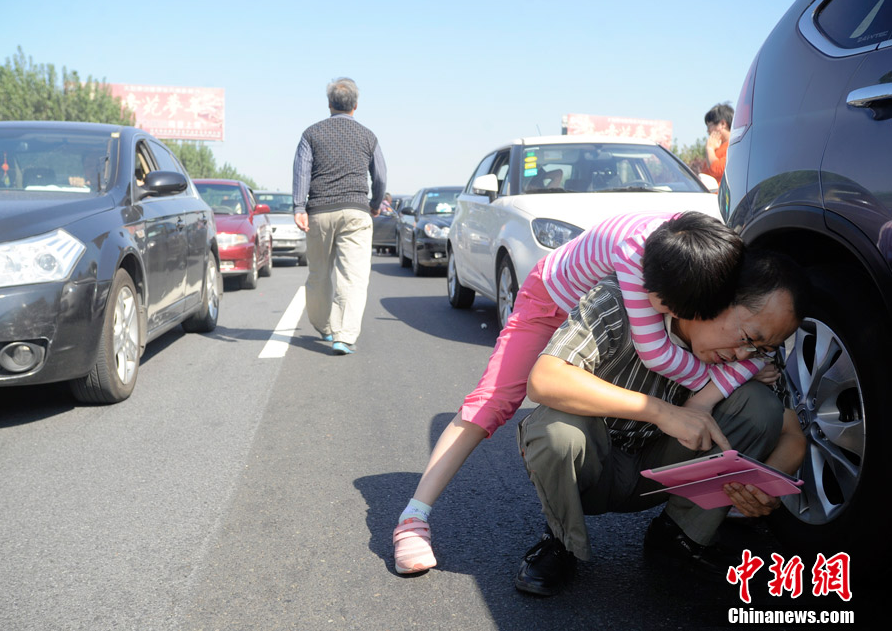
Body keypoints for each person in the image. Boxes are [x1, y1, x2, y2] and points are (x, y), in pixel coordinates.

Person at [393, 211, 769, 574]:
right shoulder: (637, 262)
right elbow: (655, 353)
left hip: (602, 309)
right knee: (492, 401)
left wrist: (744, 364)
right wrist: (711, 386)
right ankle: (413, 517)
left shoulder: (697, 253)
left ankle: (676, 529)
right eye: (668, 307)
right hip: (550, 301)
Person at [514, 250, 808, 596]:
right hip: (592, 463)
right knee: (556, 431)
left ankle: (679, 537)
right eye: (747, 338)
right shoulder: (621, 300)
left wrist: (763, 486)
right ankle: (561, 541)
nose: (746, 355)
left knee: (759, 406)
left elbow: (792, 434)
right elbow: (544, 379)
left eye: (762, 348)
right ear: (717, 296)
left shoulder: (754, 353)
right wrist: (662, 412)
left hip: (661, 472)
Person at [292, 77, 387, 355]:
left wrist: (299, 207)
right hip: (356, 212)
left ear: (329, 104)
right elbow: (380, 176)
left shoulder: (311, 134)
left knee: (319, 274)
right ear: (356, 105)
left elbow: (301, 172)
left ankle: (324, 325)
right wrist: (375, 203)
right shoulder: (369, 136)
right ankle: (344, 336)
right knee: (353, 276)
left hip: (319, 212)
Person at [703, 103, 733, 185]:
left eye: (709, 126)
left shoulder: (734, 147)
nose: (708, 131)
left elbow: (715, 169)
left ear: (723, 124)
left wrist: (709, 149)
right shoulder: (718, 147)